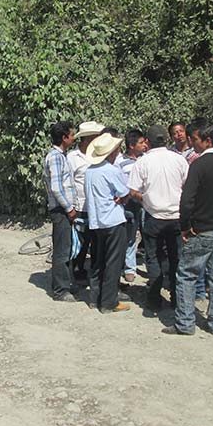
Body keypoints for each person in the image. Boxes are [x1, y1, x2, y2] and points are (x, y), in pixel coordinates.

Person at [164, 120, 213, 336]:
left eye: (194, 139)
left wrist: (185, 227)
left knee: (187, 274)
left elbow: (187, 200)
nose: (191, 142)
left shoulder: (198, 165)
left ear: (207, 140)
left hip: (203, 229)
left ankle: (185, 323)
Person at [129, 126, 188, 311]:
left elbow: (132, 191)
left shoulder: (143, 162)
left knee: (153, 258)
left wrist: (145, 198)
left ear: (148, 141)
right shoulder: (179, 160)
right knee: (175, 257)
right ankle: (176, 298)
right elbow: (187, 186)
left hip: (154, 217)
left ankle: (154, 299)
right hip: (176, 217)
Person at [84, 133, 131, 313]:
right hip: (112, 220)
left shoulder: (89, 171)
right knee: (113, 262)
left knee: (98, 261)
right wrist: (120, 198)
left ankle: (95, 298)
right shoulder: (111, 171)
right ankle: (109, 302)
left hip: (96, 222)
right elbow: (124, 191)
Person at [43, 121, 78, 302]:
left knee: (67, 248)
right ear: (64, 137)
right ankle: (60, 290)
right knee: (62, 250)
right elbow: (57, 188)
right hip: (61, 210)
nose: (73, 138)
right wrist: (69, 208)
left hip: (63, 209)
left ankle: (66, 283)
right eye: (71, 135)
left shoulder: (62, 156)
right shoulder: (55, 157)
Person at [67, 122, 105, 282]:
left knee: (96, 240)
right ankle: (77, 269)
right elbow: (68, 182)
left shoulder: (98, 155)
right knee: (81, 241)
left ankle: (94, 272)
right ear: (86, 139)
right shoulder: (72, 158)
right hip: (81, 205)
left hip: (97, 205)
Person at [119, 128, 147, 282]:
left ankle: (151, 268)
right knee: (129, 236)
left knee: (148, 237)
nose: (144, 145)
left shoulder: (147, 160)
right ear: (131, 145)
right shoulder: (121, 163)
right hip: (129, 205)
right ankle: (129, 267)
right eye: (141, 143)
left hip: (147, 204)